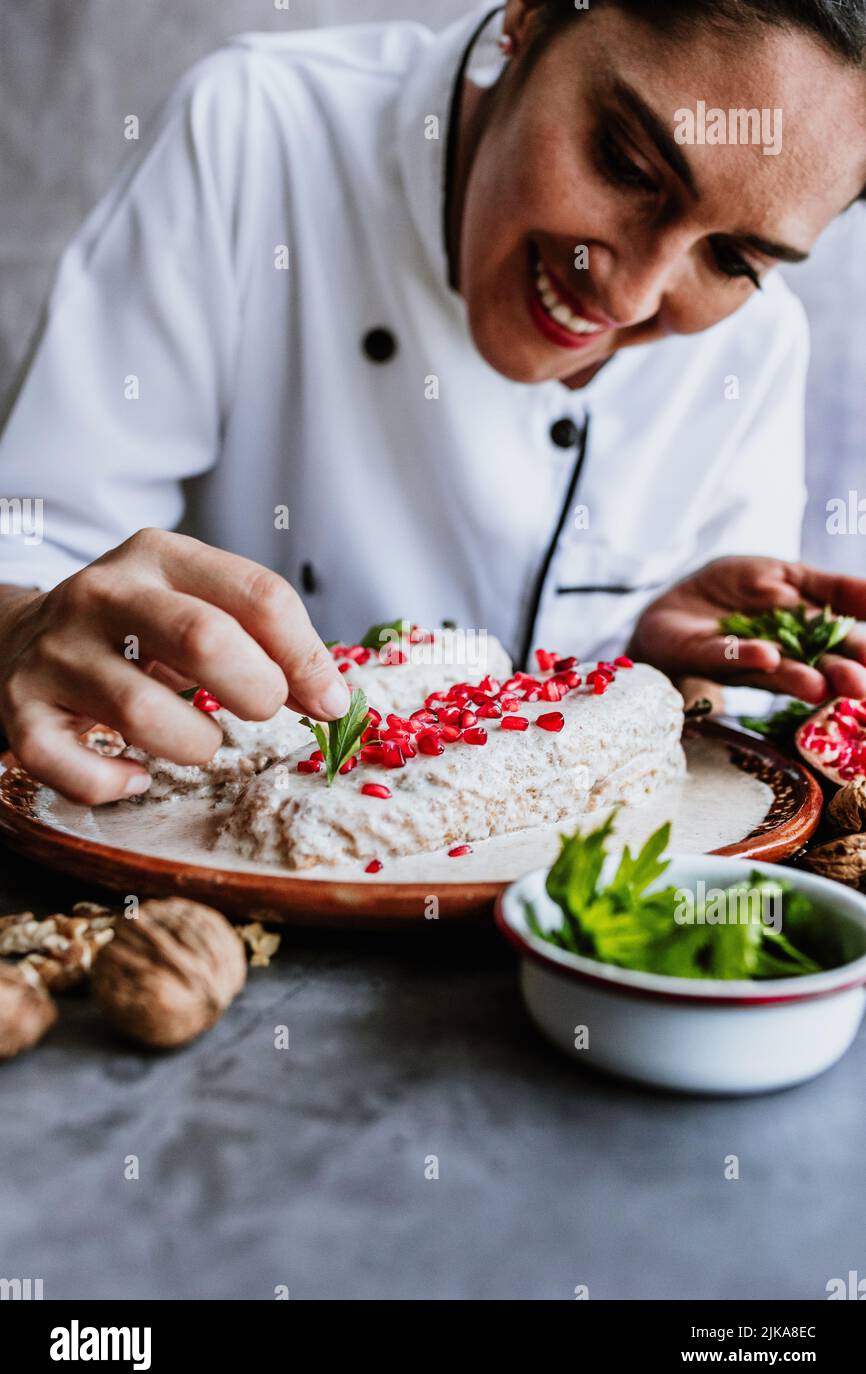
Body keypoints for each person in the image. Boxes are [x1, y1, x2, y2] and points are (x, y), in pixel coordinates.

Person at [0, 0, 864, 805]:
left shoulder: (759, 343)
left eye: (735, 260)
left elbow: (709, 748)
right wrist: (30, 626)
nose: (632, 296)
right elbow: (35, 542)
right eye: (628, 166)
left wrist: (665, 661)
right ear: (526, 18)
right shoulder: (259, 132)